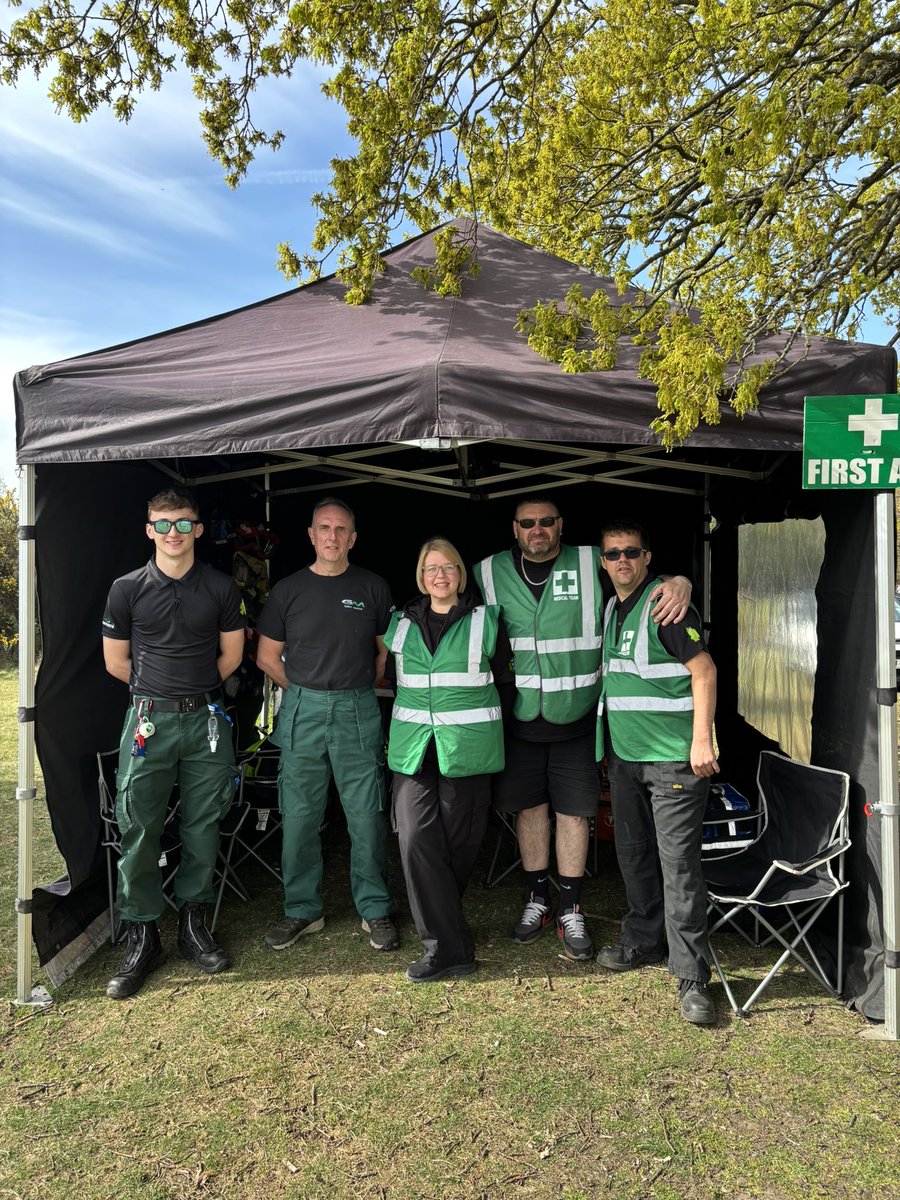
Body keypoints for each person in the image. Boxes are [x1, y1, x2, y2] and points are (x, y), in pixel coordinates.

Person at [474, 497, 690, 962]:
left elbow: (642, 575)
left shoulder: (594, 559)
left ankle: (571, 907)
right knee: (530, 812)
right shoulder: (486, 571)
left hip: (578, 718)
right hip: (521, 718)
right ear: (514, 528)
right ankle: (538, 901)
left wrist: (681, 581)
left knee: (573, 813)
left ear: (560, 525)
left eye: (546, 522)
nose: (538, 530)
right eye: (528, 523)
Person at [102, 488, 245, 1000]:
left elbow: (231, 656)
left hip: (204, 721)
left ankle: (193, 925)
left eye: (183, 524)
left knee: (203, 824)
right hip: (148, 724)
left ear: (199, 530)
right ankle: (143, 935)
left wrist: (190, 693)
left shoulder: (223, 588)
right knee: (138, 824)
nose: (173, 534)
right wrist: (158, 696)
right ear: (149, 530)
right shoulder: (126, 589)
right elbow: (116, 662)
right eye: (163, 524)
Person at [255, 497, 397, 953]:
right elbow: (265, 656)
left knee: (366, 814)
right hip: (303, 710)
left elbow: (384, 653)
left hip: (358, 708)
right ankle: (302, 909)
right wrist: (305, 691)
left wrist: (354, 687)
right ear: (312, 536)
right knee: (298, 816)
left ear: (352, 538)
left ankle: (374, 908)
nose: (332, 536)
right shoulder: (288, 590)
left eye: (341, 529)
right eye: (324, 528)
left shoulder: (373, 587)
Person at [594, 519, 719, 1025]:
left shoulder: (665, 606)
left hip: (672, 758)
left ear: (647, 559)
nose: (621, 560)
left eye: (631, 552)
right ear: (603, 563)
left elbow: (704, 670)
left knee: (679, 868)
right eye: (613, 554)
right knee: (634, 854)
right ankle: (644, 940)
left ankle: (691, 977)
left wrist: (701, 737)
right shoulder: (612, 608)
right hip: (626, 757)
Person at [385, 537, 514, 982]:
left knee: (459, 846)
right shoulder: (399, 623)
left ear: (461, 573)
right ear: (420, 576)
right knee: (416, 837)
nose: (439, 576)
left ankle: (445, 931)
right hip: (413, 748)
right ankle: (445, 948)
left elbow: (506, 682)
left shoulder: (487, 621)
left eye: (448, 568)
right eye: (430, 569)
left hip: (469, 750)